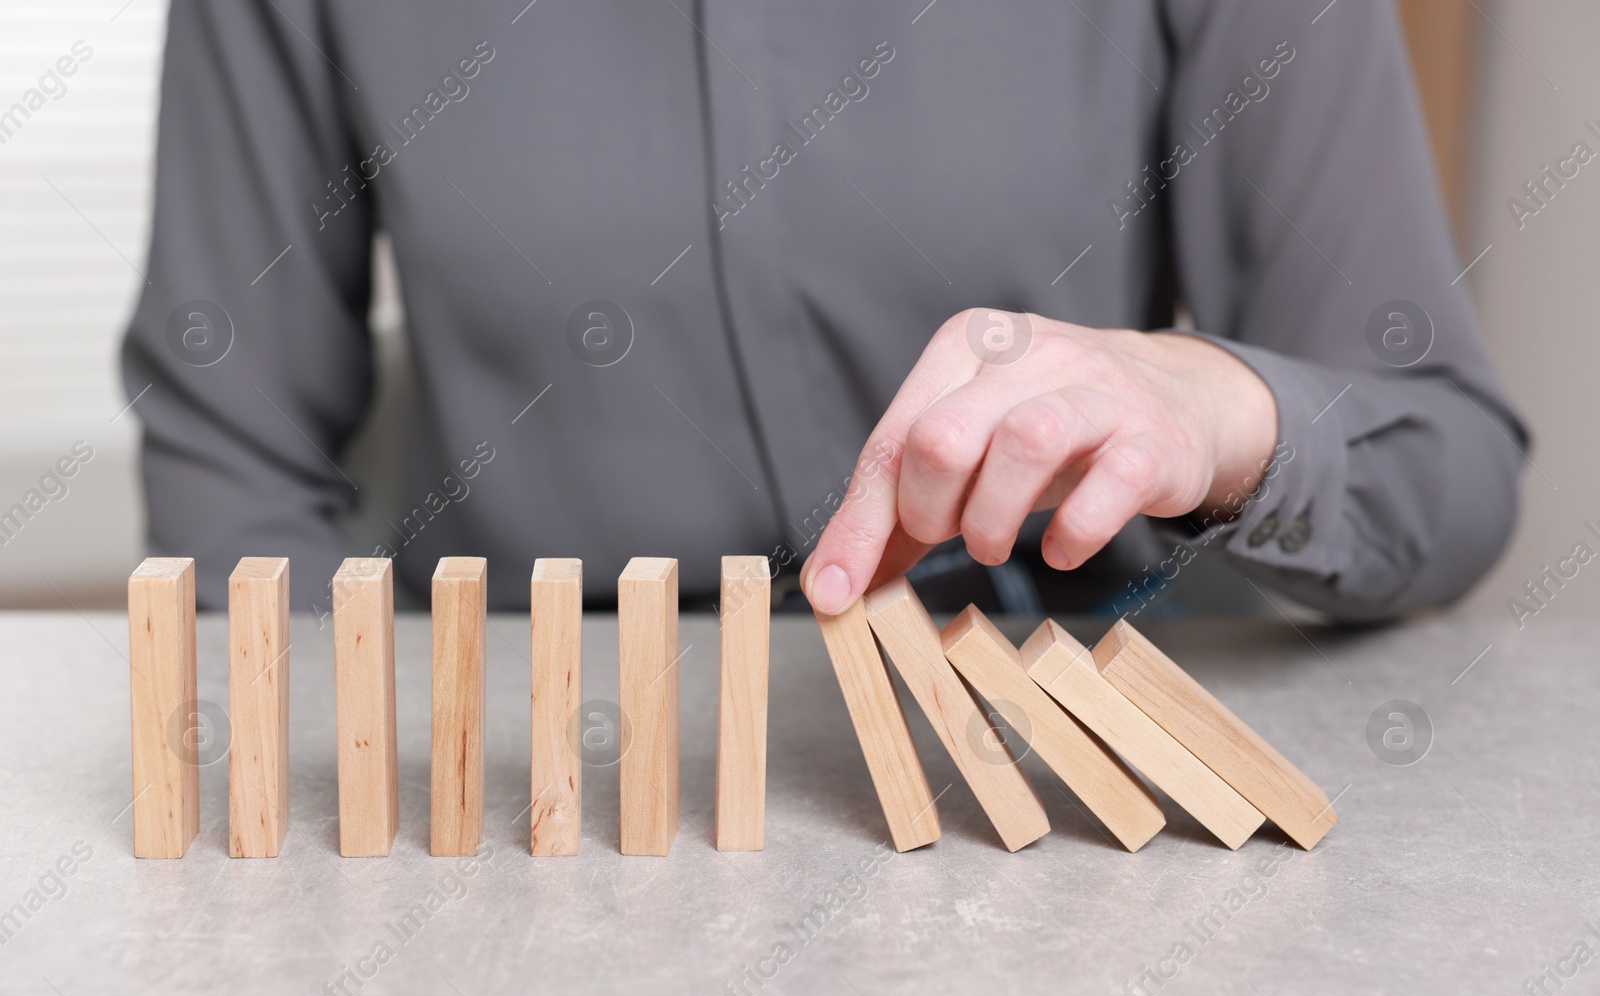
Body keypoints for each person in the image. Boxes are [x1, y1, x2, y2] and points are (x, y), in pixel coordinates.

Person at [120, 0, 1525, 621]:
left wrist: (1222, 410)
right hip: (514, 783)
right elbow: (229, 456)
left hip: (1041, 746)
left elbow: (1442, 467)